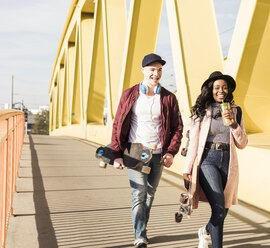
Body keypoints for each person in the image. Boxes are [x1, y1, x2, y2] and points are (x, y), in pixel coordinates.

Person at [111, 53, 183, 248]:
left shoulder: (168, 98)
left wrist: (171, 152)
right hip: (135, 150)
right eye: (152, 69)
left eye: (159, 70)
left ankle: (141, 228)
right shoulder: (129, 94)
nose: (156, 73)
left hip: (158, 152)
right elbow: (117, 123)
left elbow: (177, 127)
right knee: (139, 193)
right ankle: (140, 236)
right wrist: (117, 154)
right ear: (143, 70)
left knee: (150, 194)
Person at [183, 71, 248, 248]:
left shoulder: (236, 111)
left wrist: (234, 125)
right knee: (218, 207)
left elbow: (242, 143)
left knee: (224, 208)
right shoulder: (202, 111)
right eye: (217, 87)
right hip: (207, 160)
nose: (221, 91)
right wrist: (187, 169)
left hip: (228, 161)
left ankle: (205, 231)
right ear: (210, 89)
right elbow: (194, 142)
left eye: (224, 87)